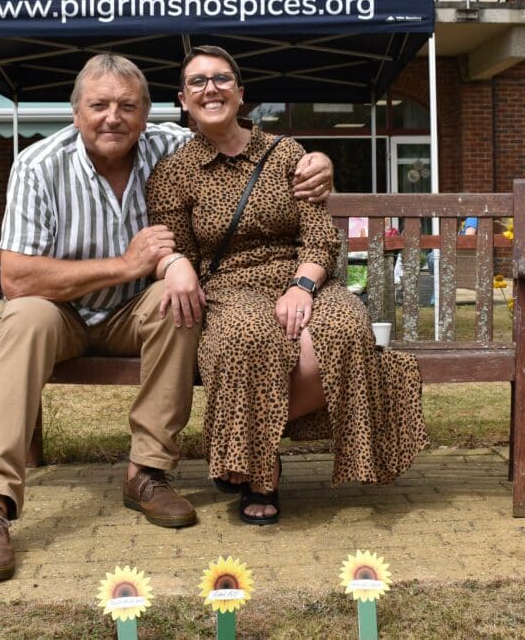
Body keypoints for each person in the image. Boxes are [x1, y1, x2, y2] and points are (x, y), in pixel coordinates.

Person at [0, 53, 333, 582]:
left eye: (127, 106)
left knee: (176, 300)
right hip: (59, 313)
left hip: (134, 312)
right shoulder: (38, 165)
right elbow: (17, 277)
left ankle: (148, 472)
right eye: (99, 105)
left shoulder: (170, 147)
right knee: (22, 318)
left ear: (148, 112)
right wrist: (127, 264)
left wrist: (315, 161)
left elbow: (243, 144)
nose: (113, 117)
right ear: (75, 112)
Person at [147, 46, 427, 526]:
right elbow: (177, 253)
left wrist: (302, 285)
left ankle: (250, 450)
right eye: (197, 82)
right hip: (229, 287)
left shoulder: (286, 154)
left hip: (303, 276)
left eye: (221, 79)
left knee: (344, 329)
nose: (210, 88)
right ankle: (262, 472)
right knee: (247, 339)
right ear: (182, 98)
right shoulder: (175, 172)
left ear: (241, 93)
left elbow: (320, 236)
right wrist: (175, 265)